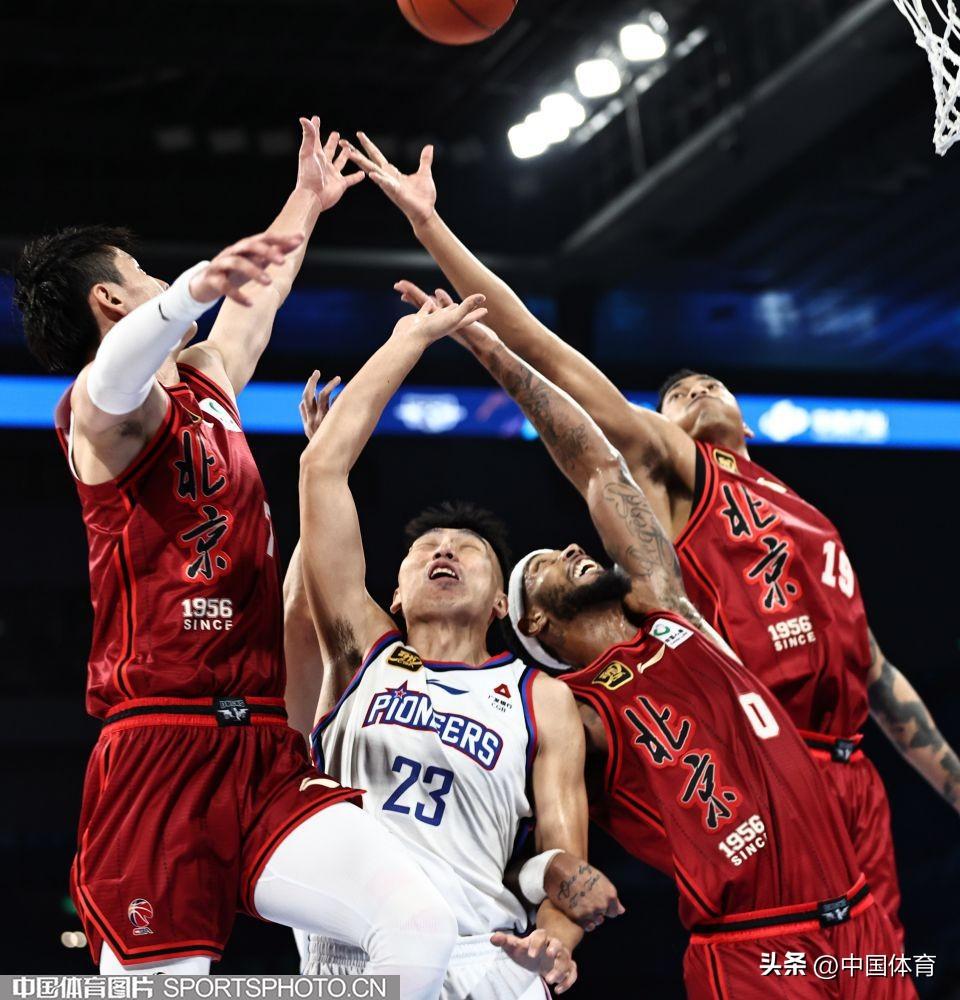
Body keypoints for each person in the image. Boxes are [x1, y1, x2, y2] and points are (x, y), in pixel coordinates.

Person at [341, 133, 960, 943]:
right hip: (764, 780)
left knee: (889, 970)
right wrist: (436, 238)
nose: (691, 387)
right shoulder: (675, 487)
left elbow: (872, 670)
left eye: (707, 381)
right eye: (671, 395)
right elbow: (565, 387)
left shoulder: (806, 517)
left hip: (845, 780)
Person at [12, 119, 458, 997]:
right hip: (159, 749)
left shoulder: (208, 379)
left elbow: (262, 290)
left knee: (419, 925)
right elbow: (115, 376)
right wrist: (187, 292)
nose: (166, 284)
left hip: (262, 747)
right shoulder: (97, 418)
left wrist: (307, 201)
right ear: (112, 301)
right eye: (143, 277)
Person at [447, 305, 912, 999]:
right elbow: (529, 838)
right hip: (753, 946)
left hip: (859, 924)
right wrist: (547, 891)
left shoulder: (671, 611)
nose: (571, 548)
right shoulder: (570, 710)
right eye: (543, 563)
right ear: (533, 621)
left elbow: (597, 465)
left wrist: (491, 350)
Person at [285, 293, 622, 998]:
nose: (445, 552)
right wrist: (409, 338)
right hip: (353, 966)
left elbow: (566, 860)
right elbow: (322, 473)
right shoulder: (361, 653)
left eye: (468, 550)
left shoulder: (540, 697)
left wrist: (555, 943)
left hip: (484, 959)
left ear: (501, 602)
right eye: (427, 548)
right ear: (394, 595)